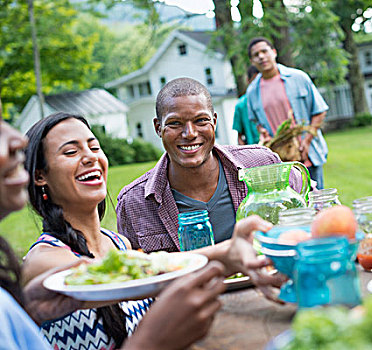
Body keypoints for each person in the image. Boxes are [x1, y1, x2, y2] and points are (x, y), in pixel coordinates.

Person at [0, 111, 268, 349]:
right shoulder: (43, 259)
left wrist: (230, 252)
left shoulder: (118, 244)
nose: (90, 158)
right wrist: (224, 252)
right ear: (39, 176)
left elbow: (145, 267)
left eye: (94, 147)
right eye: (71, 152)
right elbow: (125, 276)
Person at [116, 77, 303, 253]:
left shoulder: (261, 164)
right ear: (158, 128)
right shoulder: (134, 202)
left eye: (200, 121)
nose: (189, 133)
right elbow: (136, 273)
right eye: (175, 123)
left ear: (214, 121)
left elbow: (314, 214)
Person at [245, 37, 329, 189]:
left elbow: (319, 111)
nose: (261, 56)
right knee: (291, 208)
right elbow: (256, 122)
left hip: (307, 154)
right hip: (281, 162)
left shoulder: (298, 78)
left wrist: (307, 141)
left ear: (274, 52)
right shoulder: (252, 92)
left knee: (317, 204)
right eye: (256, 55)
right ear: (252, 61)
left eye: (264, 51)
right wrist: (262, 132)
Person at [233, 65, 260, 145]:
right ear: (248, 80)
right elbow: (240, 137)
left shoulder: (269, 99)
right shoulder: (241, 105)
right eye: (254, 81)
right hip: (254, 150)